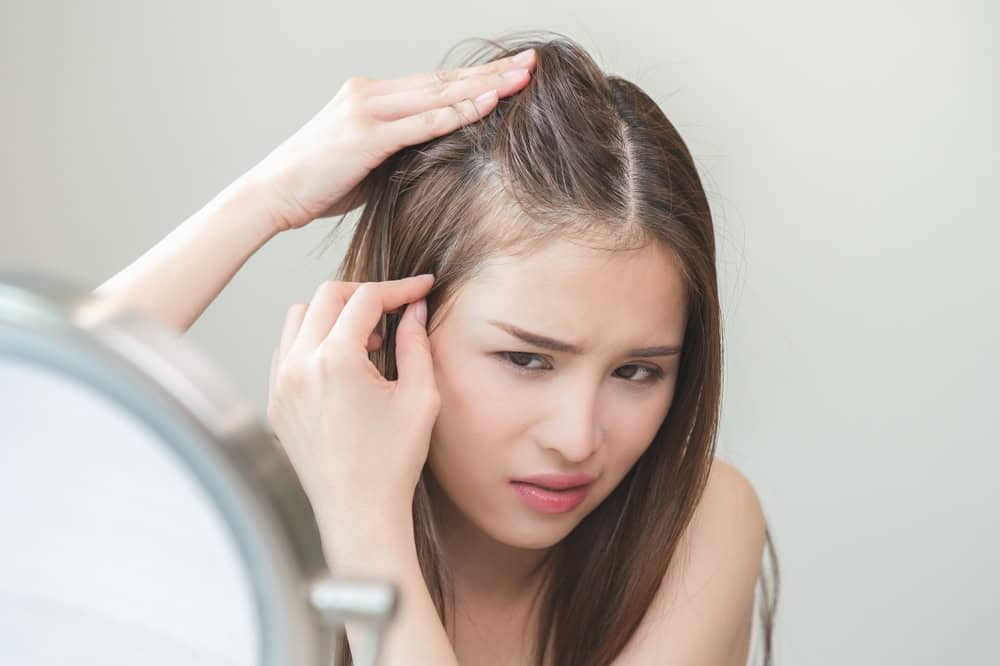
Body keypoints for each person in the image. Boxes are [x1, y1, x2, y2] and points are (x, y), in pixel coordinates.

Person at [96, 31, 778, 666]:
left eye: (637, 371)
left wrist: (365, 527)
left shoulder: (700, 523)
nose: (577, 439)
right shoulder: (243, 540)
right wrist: (265, 198)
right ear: (394, 322)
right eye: (526, 359)